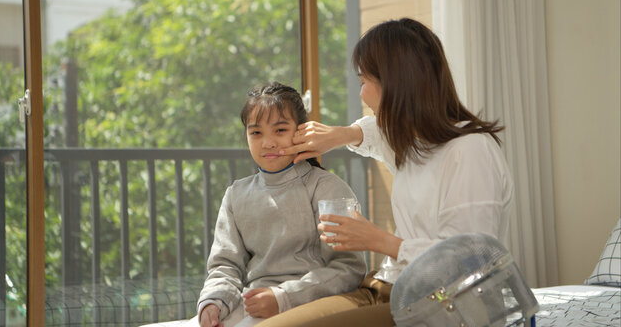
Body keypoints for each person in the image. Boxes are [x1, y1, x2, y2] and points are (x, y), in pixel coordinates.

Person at [256, 18, 514, 327]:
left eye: (365, 81)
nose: (362, 95)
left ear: (396, 82)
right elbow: (376, 134)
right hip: (385, 287)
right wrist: (342, 135)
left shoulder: (469, 153)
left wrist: (379, 240)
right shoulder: (416, 144)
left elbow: (467, 260)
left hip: (440, 304)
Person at [195, 82, 367, 327]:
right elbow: (226, 265)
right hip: (252, 305)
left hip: (310, 308)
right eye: (256, 133)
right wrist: (215, 302)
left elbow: (348, 268)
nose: (268, 143)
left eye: (280, 130)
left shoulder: (328, 189)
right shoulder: (236, 195)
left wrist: (283, 297)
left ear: (301, 131)